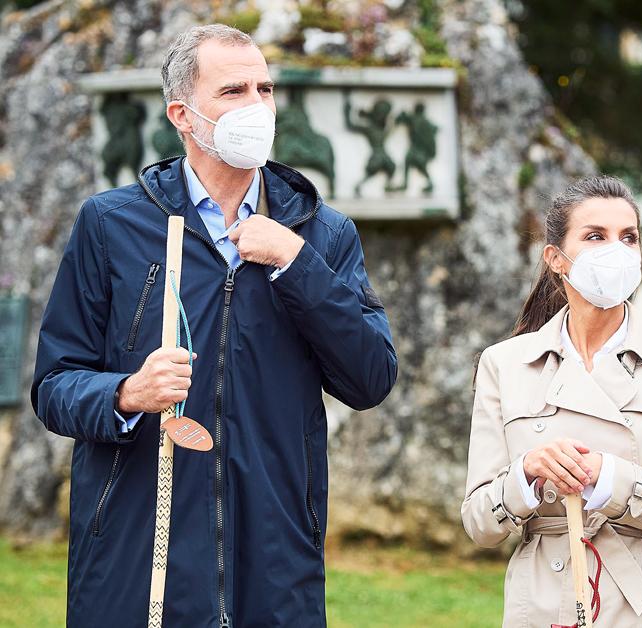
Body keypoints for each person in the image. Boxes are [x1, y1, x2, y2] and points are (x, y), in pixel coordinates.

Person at [30, 24, 397, 626]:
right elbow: (54, 385)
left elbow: (371, 377)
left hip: (275, 563)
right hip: (137, 558)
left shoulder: (321, 234)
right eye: (233, 91)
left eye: (266, 89)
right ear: (183, 114)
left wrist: (296, 265)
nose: (257, 106)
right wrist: (125, 393)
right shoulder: (111, 224)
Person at [461, 176, 642, 627]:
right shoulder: (503, 364)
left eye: (629, 238)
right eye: (595, 236)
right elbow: (480, 523)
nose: (616, 251)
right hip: (541, 598)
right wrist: (528, 473)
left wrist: (613, 479)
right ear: (556, 259)